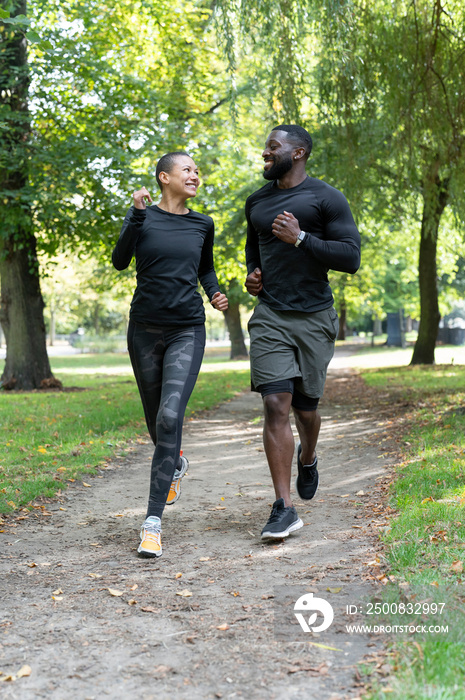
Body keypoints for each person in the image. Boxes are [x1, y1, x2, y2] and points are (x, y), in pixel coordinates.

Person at [245, 125, 360, 541]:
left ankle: (307, 456)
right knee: (276, 403)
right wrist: (251, 277)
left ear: (299, 153)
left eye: (273, 146)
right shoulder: (256, 202)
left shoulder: (326, 198)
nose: (265, 152)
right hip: (271, 315)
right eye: (266, 146)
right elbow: (253, 252)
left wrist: (302, 238)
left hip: (314, 317)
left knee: (305, 410)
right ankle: (283, 507)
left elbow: (350, 258)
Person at [112, 152, 228, 558]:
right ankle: (175, 462)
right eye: (187, 170)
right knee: (156, 421)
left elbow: (205, 269)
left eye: (197, 170)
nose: (195, 175)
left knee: (169, 416)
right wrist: (135, 214)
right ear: (164, 178)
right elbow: (120, 260)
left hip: (186, 329)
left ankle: (151, 523)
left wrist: (213, 292)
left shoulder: (202, 223)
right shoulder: (143, 218)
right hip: (143, 331)